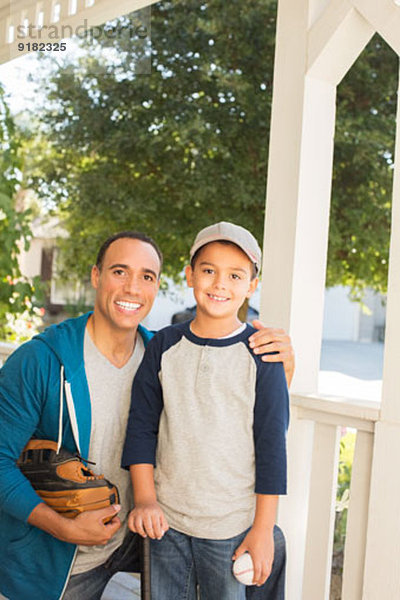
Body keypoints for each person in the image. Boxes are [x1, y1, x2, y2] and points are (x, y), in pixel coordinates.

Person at [0, 230, 293, 600]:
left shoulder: (159, 350)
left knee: (273, 544)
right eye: (119, 272)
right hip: (63, 560)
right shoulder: (41, 361)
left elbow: (239, 419)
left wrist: (281, 373)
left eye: (147, 276)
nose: (133, 288)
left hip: (137, 539)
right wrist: (61, 527)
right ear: (96, 276)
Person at [121, 222, 290, 600]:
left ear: (252, 285)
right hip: (165, 524)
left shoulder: (263, 355)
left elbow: (271, 448)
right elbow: (142, 427)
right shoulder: (163, 345)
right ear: (190, 275)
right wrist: (145, 499)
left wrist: (263, 530)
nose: (219, 284)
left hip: (230, 528)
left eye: (235, 275)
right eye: (209, 270)